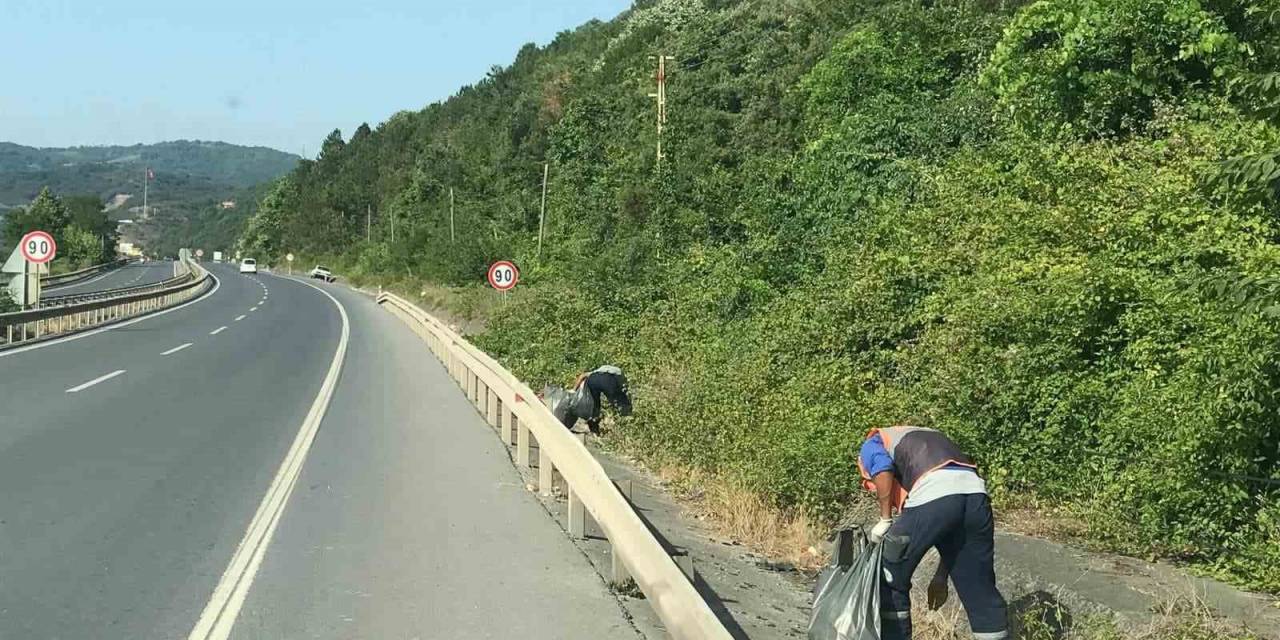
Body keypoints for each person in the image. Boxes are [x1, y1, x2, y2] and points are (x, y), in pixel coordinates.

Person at [858, 425, 1008, 640]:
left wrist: (885, 519)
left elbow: (882, 469)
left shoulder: (872, 443)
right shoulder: (927, 436)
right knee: (979, 588)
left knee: (889, 572)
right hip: (976, 495)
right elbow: (952, 535)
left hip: (934, 490)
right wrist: (940, 577)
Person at [543, 365, 632, 433]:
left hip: (592, 380)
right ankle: (625, 424)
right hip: (609, 381)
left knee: (594, 405)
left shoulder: (598, 371)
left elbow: (582, 376)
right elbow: (624, 391)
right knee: (619, 403)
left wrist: (574, 390)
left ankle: (594, 428)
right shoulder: (620, 376)